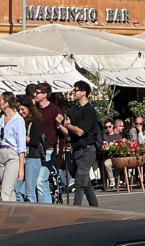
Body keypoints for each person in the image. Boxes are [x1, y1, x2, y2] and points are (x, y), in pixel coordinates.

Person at [60, 80, 101, 208]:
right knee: (86, 183)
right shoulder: (72, 111)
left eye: (76, 90)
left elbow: (80, 132)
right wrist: (60, 125)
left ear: (83, 93)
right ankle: (95, 209)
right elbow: (68, 132)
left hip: (88, 149)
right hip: (76, 149)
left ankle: (75, 208)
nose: (73, 92)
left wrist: (69, 125)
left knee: (79, 181)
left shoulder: (89, 111)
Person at [32, 84, 63, 203]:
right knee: (34, 180)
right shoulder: (34, 109)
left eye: (38, 92)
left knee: (41, 180)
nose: (35, 95)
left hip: (49, 149)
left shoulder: (54, 110)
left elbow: (61, 134)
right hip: (35, 149)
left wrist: (60, 154)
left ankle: (47, 208)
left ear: (45, 95)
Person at [0, 94, 26, 202]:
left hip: (12, 154)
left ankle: (5, 215)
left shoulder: (18, 120)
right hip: (1, 153)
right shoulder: (0, 119)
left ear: (6, 103)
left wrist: (21, 168)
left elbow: (21, 147)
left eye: (0, 101)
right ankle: (13, 214)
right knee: (9, 190)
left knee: (5, 191)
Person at [15, 97, 47, 202]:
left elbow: (36, 141)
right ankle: (22, 210)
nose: (21, 112)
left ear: (29, 108)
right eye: (19, 110)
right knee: (16, 189)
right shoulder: (19, 121)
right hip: (21, 157)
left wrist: (25, 138)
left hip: (32, 158)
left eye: (22, 109)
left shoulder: (35, 121)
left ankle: (31, 213)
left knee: (30, 192)